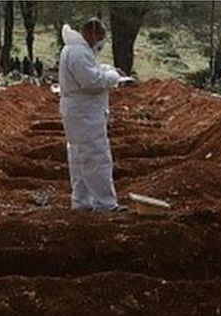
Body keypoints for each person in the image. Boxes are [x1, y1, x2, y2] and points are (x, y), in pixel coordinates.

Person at [58, 18, 125, 212]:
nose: (101, 43)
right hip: (84, 112)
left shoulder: (74, 50)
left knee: (80, 156)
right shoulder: (78, 52)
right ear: (92, 33)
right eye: (101, 38)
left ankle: (82, 201)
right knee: (96, 155)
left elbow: (92, 70)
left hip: (78, 111)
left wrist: (108, 69)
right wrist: (113, 78)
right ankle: (105, 203)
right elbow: (91, 81)